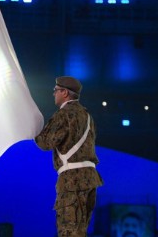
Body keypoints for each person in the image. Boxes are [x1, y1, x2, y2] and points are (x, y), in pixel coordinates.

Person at [35, 76, 103, 237]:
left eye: (56, 91)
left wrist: (33, 129)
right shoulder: (87, 116)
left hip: (72, 180)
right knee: (80, 232)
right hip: (90, 179)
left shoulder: (64, 114)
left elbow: (45, 143)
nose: (54, 94)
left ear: (65, 93)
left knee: (69, 232)